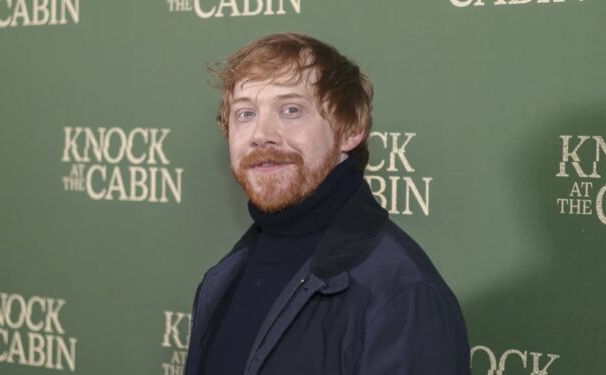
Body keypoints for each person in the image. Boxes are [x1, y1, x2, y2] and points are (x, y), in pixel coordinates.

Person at [184, 32, 470, 375]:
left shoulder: (401, 295)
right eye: (245, 114)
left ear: (350, 129)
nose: (262, 134)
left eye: (290, 110)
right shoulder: (224, 279)